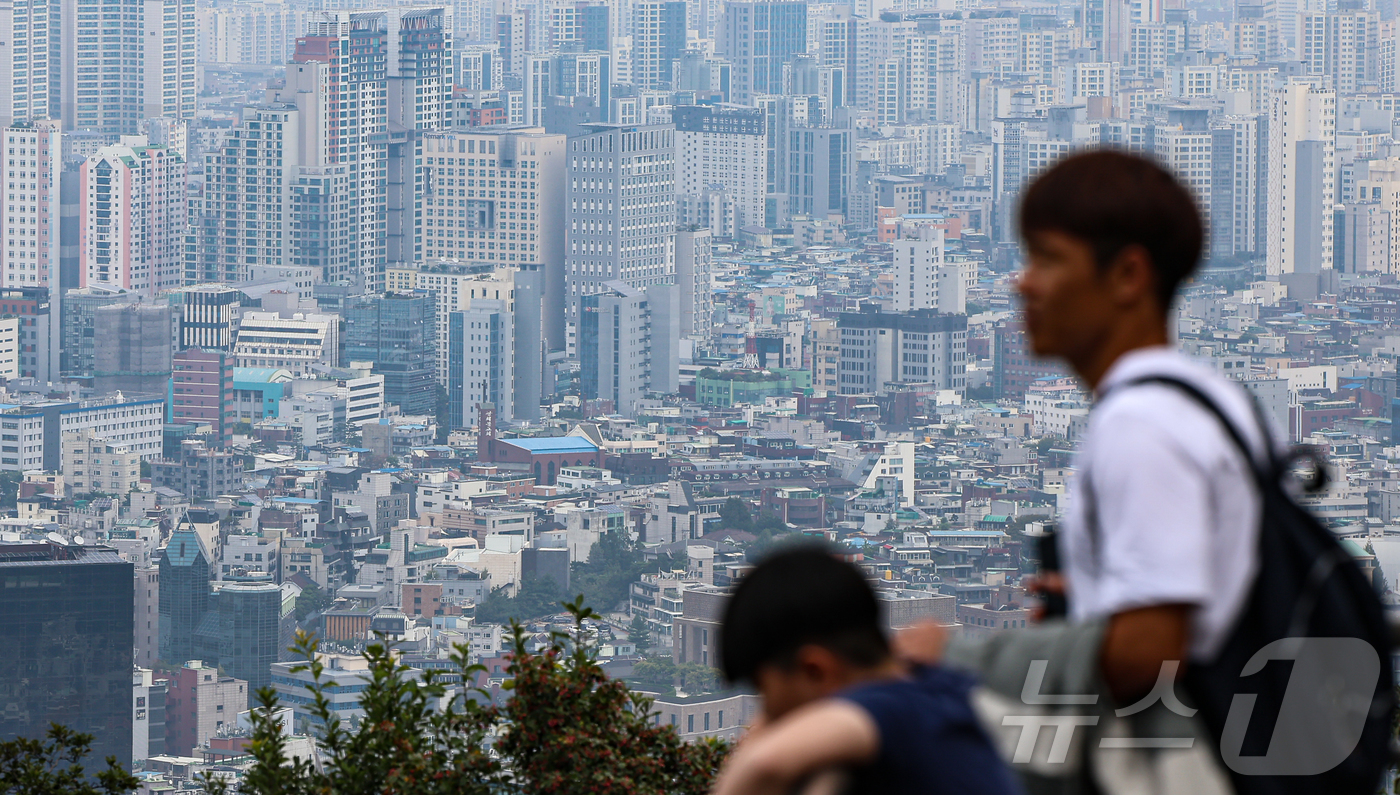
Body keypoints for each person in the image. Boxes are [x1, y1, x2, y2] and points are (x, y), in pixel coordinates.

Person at [1013, 149, 1271, 702]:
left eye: (1047, 260)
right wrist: (1097, 601)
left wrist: (959, 657)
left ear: (1128, 275)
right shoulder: (1211, 397)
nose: (1023, 284)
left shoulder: (1141, 425)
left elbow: (1149, 656)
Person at [710, 545, 1023, 795]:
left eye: (765, 694)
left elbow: (765, 765)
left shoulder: (891, 708)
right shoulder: (936, 689)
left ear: (816, 670)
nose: (767, 715)